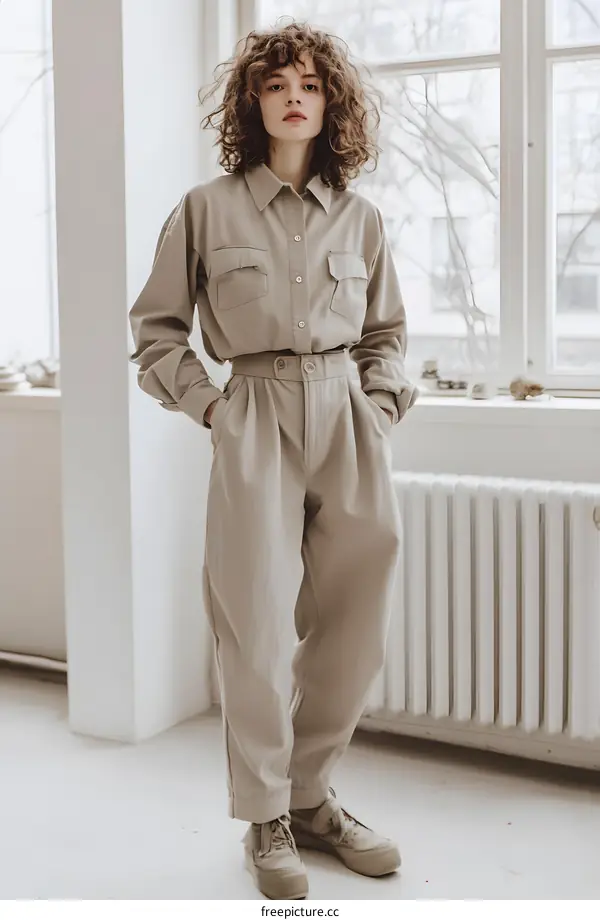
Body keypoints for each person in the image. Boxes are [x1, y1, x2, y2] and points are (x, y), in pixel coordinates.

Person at [128, 20, 418, 901]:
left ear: (331, 105)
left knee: (357, 627)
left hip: (348, 422)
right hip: (252, 412)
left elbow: (388, 334)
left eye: (311, 85)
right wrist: (212, 407)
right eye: (276, 84)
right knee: (253, 626)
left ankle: (314, 795)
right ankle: (266, 816)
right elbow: (155, 333)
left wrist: (378, 405)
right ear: (252, 103)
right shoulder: (205, 210)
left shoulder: (361, 219)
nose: (295, 95)